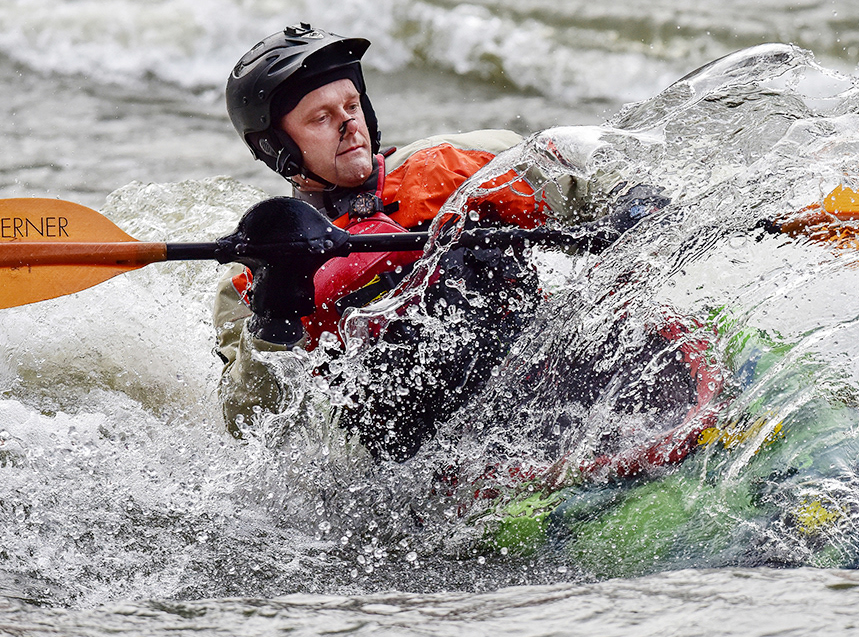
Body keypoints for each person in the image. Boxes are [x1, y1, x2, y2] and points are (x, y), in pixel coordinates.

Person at [214, 24, 641, 458]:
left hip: (537, 371)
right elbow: (248, 425)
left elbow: (580, 180)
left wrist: (630, 203)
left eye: (351, 105)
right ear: (275, 147)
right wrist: (273, 319)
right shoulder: (254, 276)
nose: (349, 125)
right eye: (321, 118)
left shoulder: (454, 165)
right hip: (415, 449)